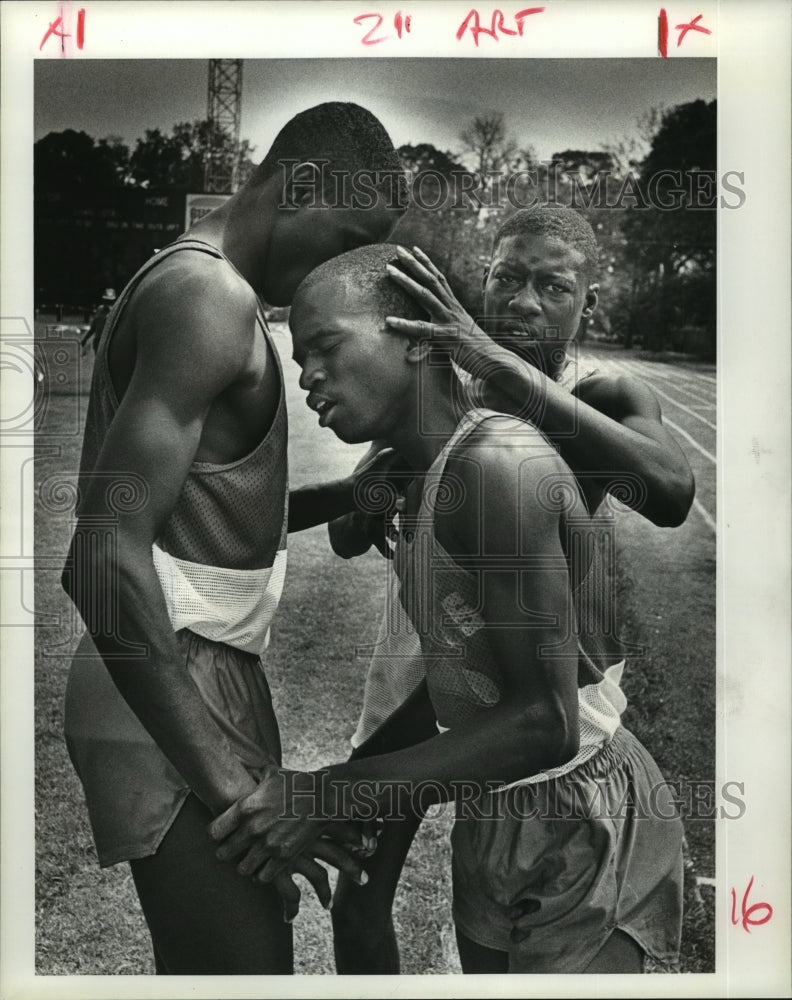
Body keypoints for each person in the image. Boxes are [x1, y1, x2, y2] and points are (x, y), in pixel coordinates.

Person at [208, 243, 685, 975]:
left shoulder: (498, 465)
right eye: (300, 356)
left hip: (580, 812)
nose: (307, 376)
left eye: (326, 348)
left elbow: (545, 724)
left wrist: (331, 789)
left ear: (411, 334)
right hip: (493, 807)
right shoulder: (428, 465)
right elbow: (451, 667)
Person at [61, 102, 406, 975]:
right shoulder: (207, 294)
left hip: (199, 660)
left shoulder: (209, 290)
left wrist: (345, 496)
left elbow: (205, 514)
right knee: (241, 975)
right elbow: (102, 556)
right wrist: (233, 786)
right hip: (170, 663)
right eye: (347, 236)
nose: (348, 270)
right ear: (298, 186)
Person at [80, 287, 116, 355]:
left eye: (110, 302)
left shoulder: (115, 312)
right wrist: (85, 338)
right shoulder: (99, 309)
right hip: (97, 341)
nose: (107, 303)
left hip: (109, 342)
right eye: (106, 300)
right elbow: (93, 327)